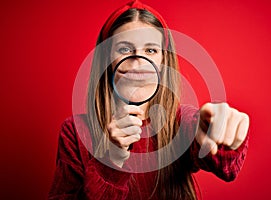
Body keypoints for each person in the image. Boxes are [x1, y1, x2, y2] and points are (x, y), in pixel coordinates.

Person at [48, 1, 249, 199]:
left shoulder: (181, 121)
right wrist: (112, 160)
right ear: (107, 60)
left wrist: (220, 135)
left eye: (151, 50)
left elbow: (225, 168)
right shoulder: (75, 130)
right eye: (125, 49)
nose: (138, 61)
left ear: (163, 62)